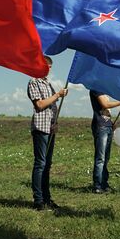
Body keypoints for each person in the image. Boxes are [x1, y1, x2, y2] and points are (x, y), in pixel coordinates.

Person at [27, 56, 68, 210]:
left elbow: (52, 107)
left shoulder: (48, 84)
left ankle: (47, 197)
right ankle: (38, 199)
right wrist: (57, 95)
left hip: (50, 128)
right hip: (40, 128)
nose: (49, 69)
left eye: (50, 66)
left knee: (47, 165)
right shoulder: (33, 82)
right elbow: (40, 105)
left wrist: (55, 122)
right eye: (47, 65)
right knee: (40, 163)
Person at [89, 91, 120, 193]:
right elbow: (105, 105)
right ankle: (98, 186)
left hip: (107, 126)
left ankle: (104, 183)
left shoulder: (103, 91)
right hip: (101, 126)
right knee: (101, 158)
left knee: (106, 158)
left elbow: (105, 111)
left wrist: (111, 122)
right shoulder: (96, 89)